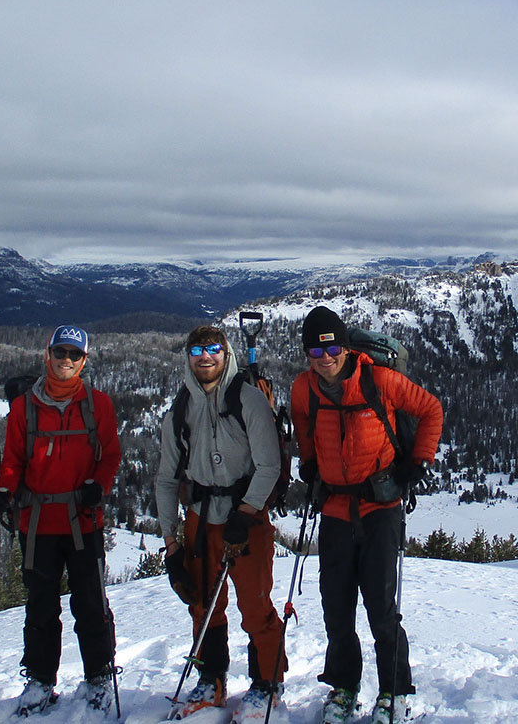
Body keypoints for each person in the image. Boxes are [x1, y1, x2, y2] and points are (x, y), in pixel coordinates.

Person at [290, 306, 443, 724]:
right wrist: (307, 463)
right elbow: (302, 425)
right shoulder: (303, 390)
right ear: (307, 354)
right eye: (316, 351)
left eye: (333, 347)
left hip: (381, 507)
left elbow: (431, 409)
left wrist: (420, 461)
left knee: (381, 607)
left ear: (345, 346)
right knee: (336, 608)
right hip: (335, 508)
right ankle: (344, 688)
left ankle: (394, 692)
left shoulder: (379, 380)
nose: (326, 358)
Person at [155, 325, 287, 722]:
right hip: (200, 517)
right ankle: (211, 677)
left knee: (255, 603)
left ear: (226, 354)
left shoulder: (248, 401)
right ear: (188, 357)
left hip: (246, 518)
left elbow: (269, 465)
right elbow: (165, 479)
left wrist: (246, 513)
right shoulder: (180, 409)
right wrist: (171, 544)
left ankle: (267, 682)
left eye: (214, 349)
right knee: (201, 601)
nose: (205, 356)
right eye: (197, 350)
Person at [0, 325, 121, 717]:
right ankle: (40, 680)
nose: (66, 360)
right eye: (60, 353)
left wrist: (99, 485)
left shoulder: (98, 404)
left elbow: (110, 454)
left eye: (74, 355)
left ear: (84, 360)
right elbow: (13, 458)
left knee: (91, 602)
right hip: (37, 523)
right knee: (41, 607)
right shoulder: (24, 407)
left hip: (83, 520)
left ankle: (99, 676)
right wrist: (4, 491)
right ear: (47, 355)